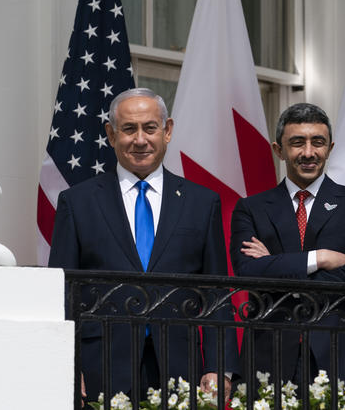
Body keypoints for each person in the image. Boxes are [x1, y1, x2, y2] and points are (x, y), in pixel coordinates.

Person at [49, 88, 238, 400]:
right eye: (128, 129)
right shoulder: (77, 202)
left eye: (150, 128)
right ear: (110, 135)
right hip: (101, 366)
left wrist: (219, 365)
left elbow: (216, 291)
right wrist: (67, 362)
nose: (140, 140)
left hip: (181, 367)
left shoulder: (202, 203)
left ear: (167, 131)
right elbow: (63, 291)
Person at [230, 103, 345, 388]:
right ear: (279, 150)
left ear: (330, 147)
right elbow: (247, 272)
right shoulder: (251, 208)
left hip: (344, 355)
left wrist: (275, 266)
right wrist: (319, 258)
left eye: (318, 142)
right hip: (270, 356)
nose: (309, 153)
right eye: (297, 143)